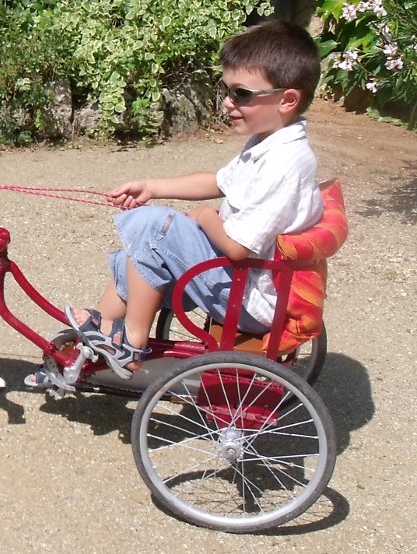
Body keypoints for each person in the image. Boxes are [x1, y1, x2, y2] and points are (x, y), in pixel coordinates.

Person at [36, 20, 325, 384]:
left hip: (249, 295)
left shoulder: (286, 161)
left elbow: (237, 247)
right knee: (138, 251)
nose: (227, 102)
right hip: (243, 277)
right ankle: (95, 336)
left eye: (242, 94)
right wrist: (152, 187)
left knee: (153, 228)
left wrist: (204, 216)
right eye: (227, 90)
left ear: (287, 100)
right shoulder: (270, 142)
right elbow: (218, 181)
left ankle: (130, 342)